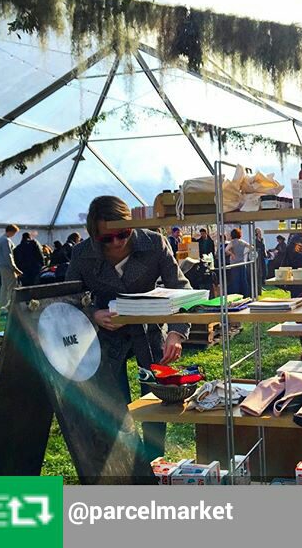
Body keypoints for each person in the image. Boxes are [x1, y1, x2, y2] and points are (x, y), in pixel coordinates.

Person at [66, 196, 192, 461]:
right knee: (114, 405)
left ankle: (155, 463)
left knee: (155, 402)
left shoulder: (155, 242)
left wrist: (176, 332)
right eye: (106, 239)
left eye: (122, 234)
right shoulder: (81, 254)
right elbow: (69, 299)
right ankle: (122, 465)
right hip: (107, 337)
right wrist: (92, 314)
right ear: (93, 234)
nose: (117, 242)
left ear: (132, 225)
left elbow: (181, 288)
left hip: (149, 333)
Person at [0, 224, 21, 316]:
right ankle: (9, 306)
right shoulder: (6, 240)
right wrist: (15, 268)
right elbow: (9, 256)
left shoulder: (0, 239)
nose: (14, 235)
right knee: (12, 286)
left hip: (1, 266)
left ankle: (2, 306)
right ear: (11, 231)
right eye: (14, 233)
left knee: (4, 287)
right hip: (7, 267)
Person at [225, 228, 252, 297]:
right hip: (242, 263)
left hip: (234, 264)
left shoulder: (232, 242)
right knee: (243, 280)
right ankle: (246, 295)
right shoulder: (242, 242)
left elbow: (226, 250)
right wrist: (245, 253)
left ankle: (236, 296)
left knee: (235, 281)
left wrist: (231, 254)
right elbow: (251, 247)